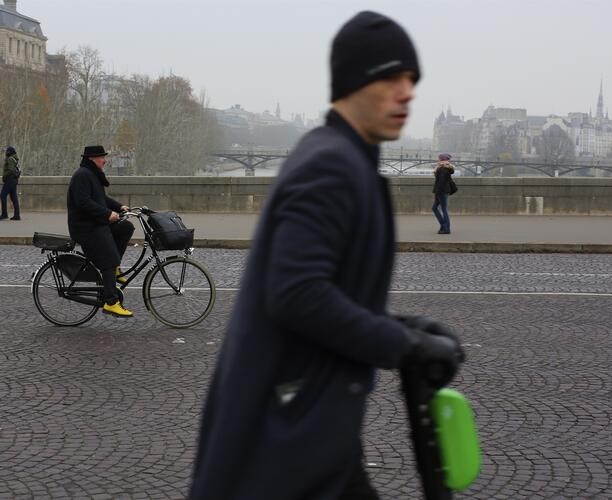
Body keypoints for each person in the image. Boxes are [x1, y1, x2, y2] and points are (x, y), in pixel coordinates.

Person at [190, 11, 463, 500]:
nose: (407, 93)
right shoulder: (333, 167)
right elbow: (297, 294)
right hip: (286, 437)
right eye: (392, 77)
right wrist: (404, 346)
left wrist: (406, 326)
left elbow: (327, 294)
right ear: (355, 80)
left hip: (308, 426)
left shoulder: (338, 157)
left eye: (412, 80)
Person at [66, 145, 135, 318]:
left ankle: (115, 268)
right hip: (85, 227)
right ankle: (111, 302)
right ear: (92, 159)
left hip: (95, 223)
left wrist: (119, 207)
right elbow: (83, 203)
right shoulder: (82, 175)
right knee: (108, 258)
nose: (105, 161)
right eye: (101, 158)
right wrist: (107, 214)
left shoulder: (91, 174)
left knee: (126, 227)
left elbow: (100, 198)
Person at [432, 153, 455, 234]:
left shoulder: (442, 169)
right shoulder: (446, 168)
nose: (438, 160)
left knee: (443, 209)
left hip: (441, 192)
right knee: (435, 208)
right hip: (443, 191)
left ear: (442, 159)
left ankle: (446, 228)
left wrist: (437, 193)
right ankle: (444, 225)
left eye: (439, 158)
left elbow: (440, 182)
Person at [0, 146, 21, 221]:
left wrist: (5, 176)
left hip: (10, 180)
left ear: (9, 152)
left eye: (7, 151)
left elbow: (11, 170)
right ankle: (17, 215)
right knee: (14, 198)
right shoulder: (14, 158)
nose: (6, 152)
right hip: (14, 180)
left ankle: (4, 214)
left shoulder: (10, 159)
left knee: (2, 195)